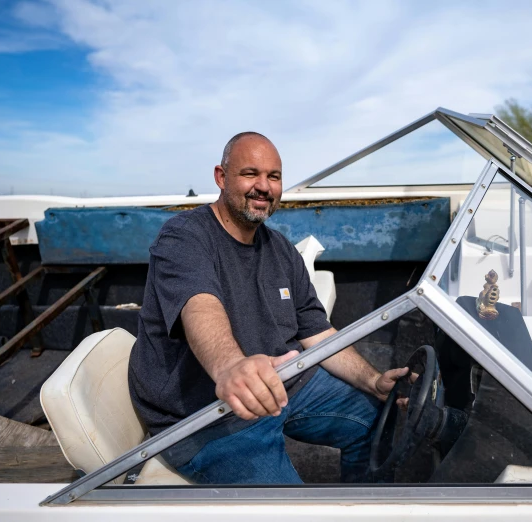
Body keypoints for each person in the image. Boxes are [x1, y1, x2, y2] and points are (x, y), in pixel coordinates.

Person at [128, 132, 410, 484]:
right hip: (206, 416)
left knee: (381, 421)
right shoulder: (184, 238)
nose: (263, 186)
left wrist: (372, 380)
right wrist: (231, 367)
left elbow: (317, 332)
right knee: (289, 508)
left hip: (284, 384)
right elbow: (200, 306)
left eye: (273, 177)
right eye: (250, 174)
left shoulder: (281, 249)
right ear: (221, 177)